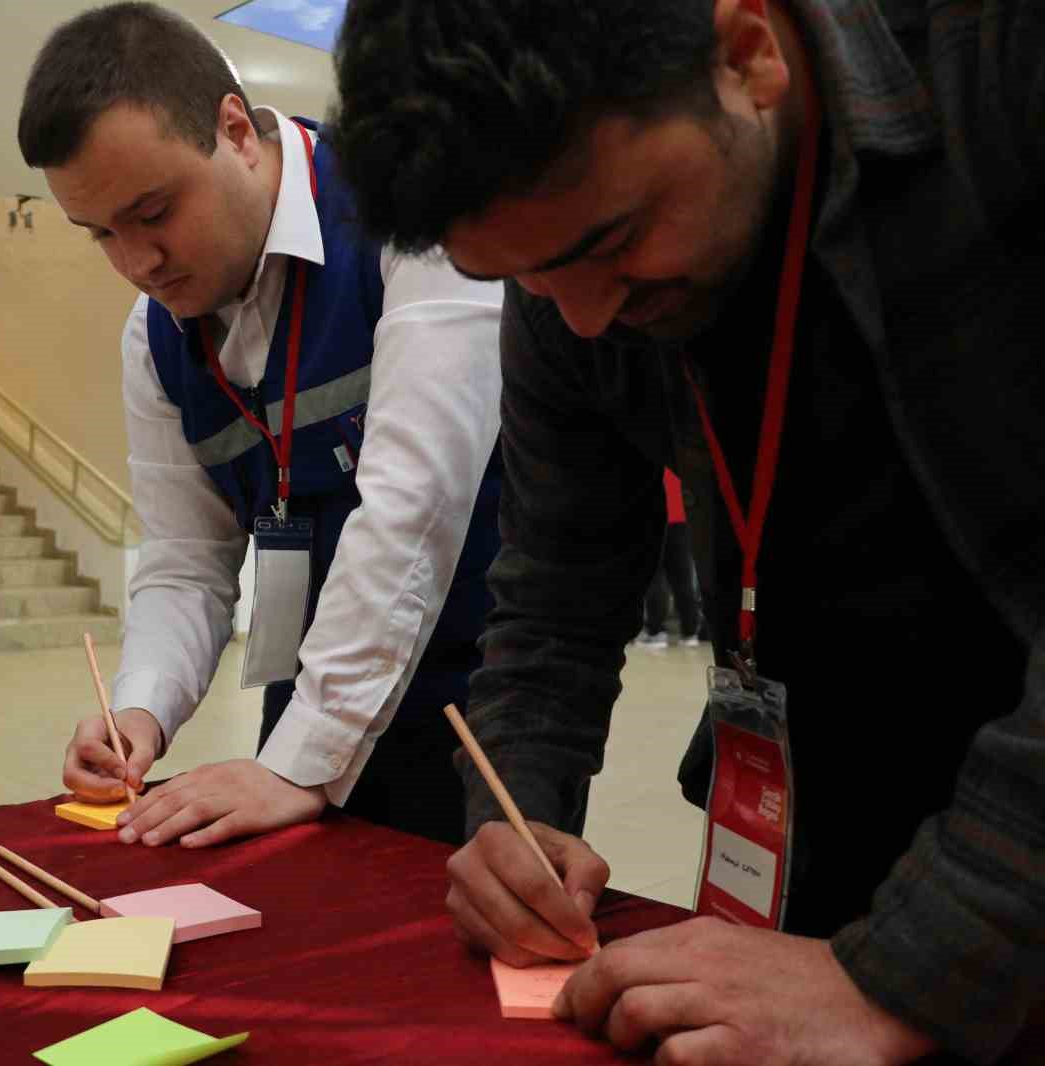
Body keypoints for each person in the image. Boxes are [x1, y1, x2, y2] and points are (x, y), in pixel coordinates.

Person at [330, 1, 1042, 1062]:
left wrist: (906, 975)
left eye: (611, 244)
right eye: (515, 278)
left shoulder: (1000, 71)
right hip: (832, 829)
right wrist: (511, 817)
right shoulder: (567, 275)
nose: (576, 318)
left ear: (745, 52)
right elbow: (556, 584)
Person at [17, 3, 505, 848]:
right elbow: (184, 560)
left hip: (477, 713)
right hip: (309, 698)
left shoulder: (407, 218)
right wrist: (141, 709)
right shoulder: (154, 337)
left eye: (154, 211)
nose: (137, 263)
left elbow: (411, 508)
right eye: (99, 233)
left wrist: (300, 762)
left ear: (236, 130)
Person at [638, 470, 700, 648]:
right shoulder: (677, 462)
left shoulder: (652, 460)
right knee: (682, 577)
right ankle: (690, 632)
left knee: (655, 575)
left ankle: (655, 631)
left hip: (656, 517)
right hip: (680, 519)